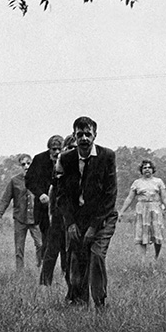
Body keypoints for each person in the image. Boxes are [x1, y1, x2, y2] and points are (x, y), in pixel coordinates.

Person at [56, 116, 117, 309]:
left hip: (103, 217)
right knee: (77, 257)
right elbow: (62, 195)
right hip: (77, 218)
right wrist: (71, 223)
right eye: (80, 134)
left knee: (96, 254)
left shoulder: (107, 156)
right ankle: (79, 302)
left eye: (88, 134)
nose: (84, 138)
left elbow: (110, 196)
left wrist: (94, 226)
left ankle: (100, 303)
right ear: (74, 136)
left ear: (95, 135)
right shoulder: (66, 159)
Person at [0, 153, 42, 272]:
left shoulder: (39, 179)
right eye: (23, 164)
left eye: (28, 163)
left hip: (35, 218)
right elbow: (5, 199)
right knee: (19, 248)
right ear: (20, 166)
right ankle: (19, 273)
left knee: (40, 244)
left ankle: (39, 268)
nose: (26, 166)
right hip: (20, 218)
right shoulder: (14, 181)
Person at [117, 159, 166, 259]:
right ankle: (142, 260)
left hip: (155, 209)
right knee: (142, 234)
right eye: (144, 168)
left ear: (153, 169)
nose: (147, 169)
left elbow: (164, 198)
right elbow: (130, 198)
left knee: (157, 234)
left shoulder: (158, 181)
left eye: (149, 167)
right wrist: (121, 211)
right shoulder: (137, 183)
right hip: (141, 210)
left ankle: (156, 256)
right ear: (141, 170)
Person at [40, 134, 76, 285]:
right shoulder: (59, 165)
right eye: (71, 147)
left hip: (74, 215)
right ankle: (44, 282)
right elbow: (53, 190)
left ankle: (70, 281)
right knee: (52, 249)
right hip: (58, 213)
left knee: (69, 251)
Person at [26, 135, 63, 250]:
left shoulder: (68, 159)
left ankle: (65, 268)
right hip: (44, 208)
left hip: (62, 206)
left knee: (63, 241)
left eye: (59, 149)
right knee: (46, 239)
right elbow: (29, 180)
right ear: (49, 149)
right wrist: (40, 193)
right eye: (54, 149)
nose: (56, 152)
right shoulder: (39, 159)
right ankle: (44, 265)